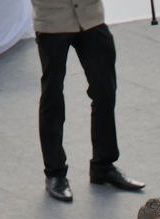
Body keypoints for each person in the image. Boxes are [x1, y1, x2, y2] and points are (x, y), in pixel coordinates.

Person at [31, 0, 143, 202]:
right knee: (53, 97)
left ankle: (103, 166)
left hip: (91, 18)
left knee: (105, 91)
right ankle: (55, 173)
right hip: (52, 21)